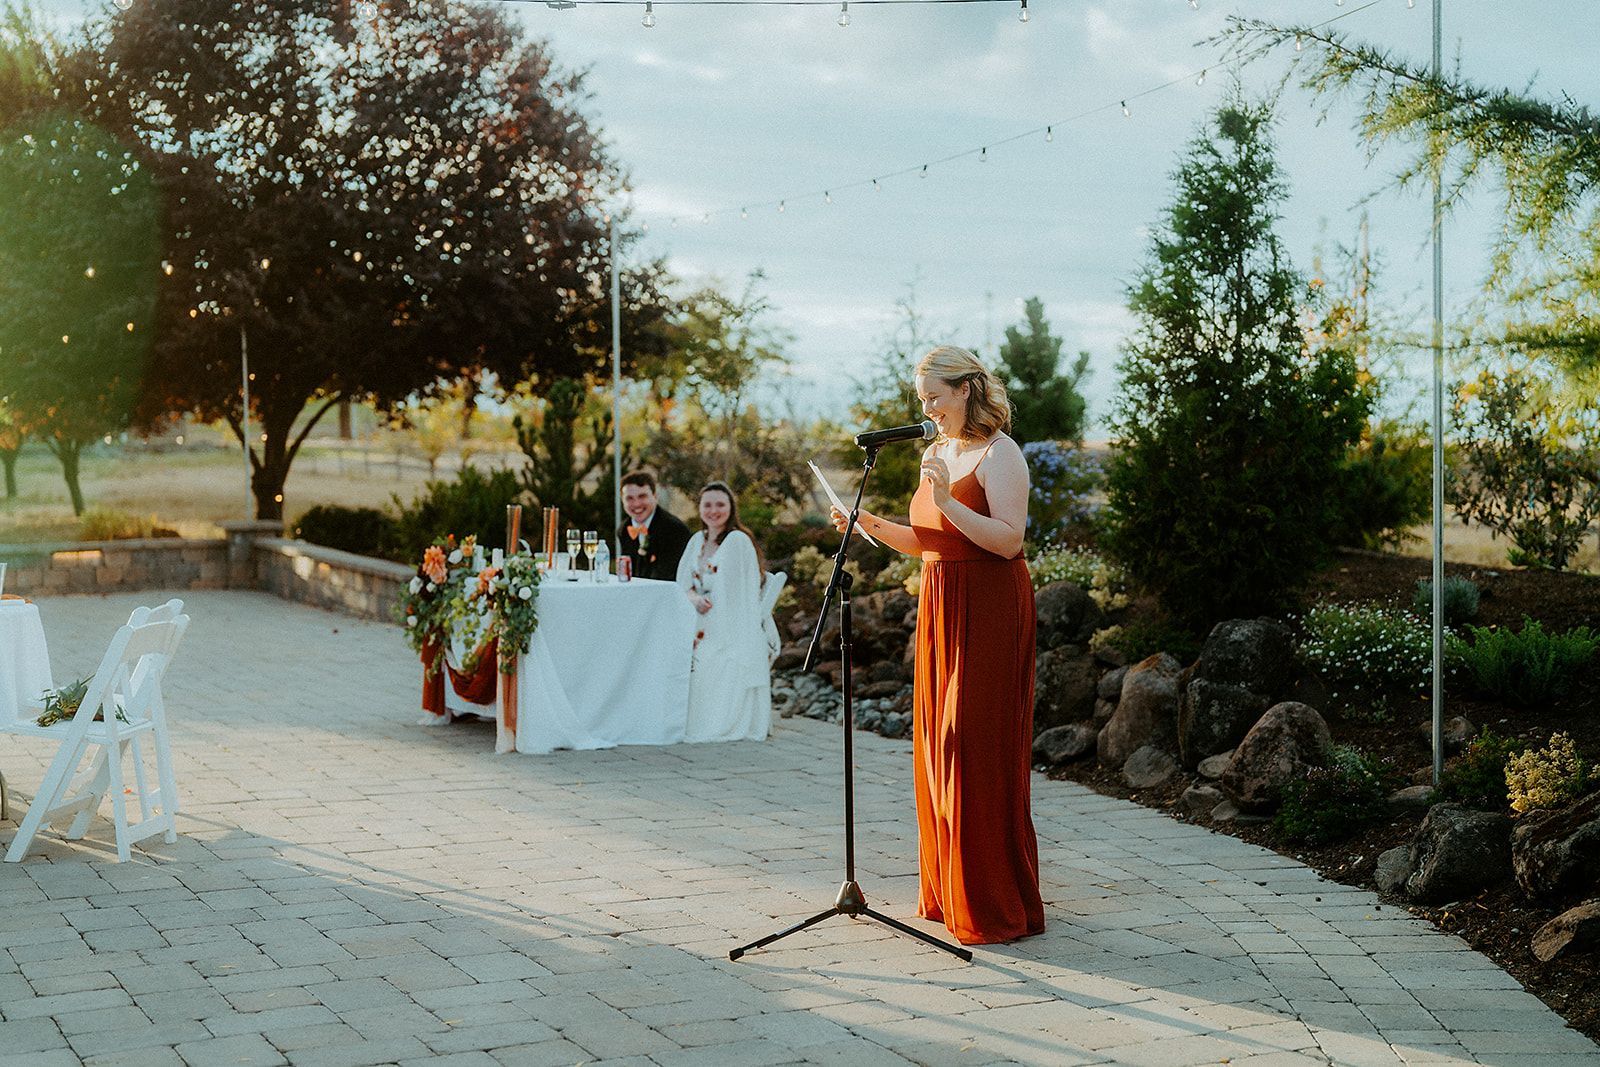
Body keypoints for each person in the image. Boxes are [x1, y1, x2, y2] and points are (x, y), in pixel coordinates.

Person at [830, 345, 1043, 945]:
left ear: (967, 390)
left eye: (934, 398)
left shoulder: (1002, 455)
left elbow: (1007, 542)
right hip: (943, 604)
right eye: (921, 399)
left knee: (972, 744)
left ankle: (994, 901)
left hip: (992, 606)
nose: (927, 410)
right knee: (937, 746)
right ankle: (950, 891)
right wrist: (866, 524)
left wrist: (949, 500)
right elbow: (930, 541)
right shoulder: (935, 452)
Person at [676, 482, 772, 743]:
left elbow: (734, 595)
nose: (713, 510)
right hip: (697, 616)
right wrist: (693, 598)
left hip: (730, 624)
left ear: (731, 508)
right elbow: (683, 584)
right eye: (707, 504)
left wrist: (704, 628)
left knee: (705, 653)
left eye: (720, 504)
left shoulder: (737, 541)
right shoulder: (698, 539)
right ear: (699, 508)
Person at [617, 469, 692, 582]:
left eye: (642, 496)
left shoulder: (675, 530)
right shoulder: (624, 529)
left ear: (655, 496)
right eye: (629, 498)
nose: (636, 504)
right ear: (622, 500)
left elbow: (668, 578)